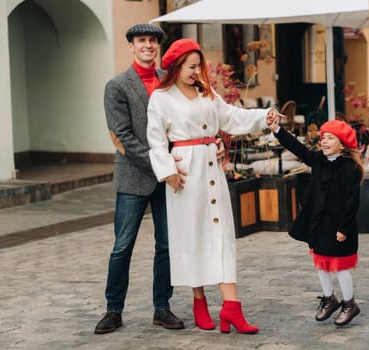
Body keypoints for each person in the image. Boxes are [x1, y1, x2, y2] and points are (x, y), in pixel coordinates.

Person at [147, 38, 281, 334]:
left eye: (200, 66)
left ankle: (232, 308)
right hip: (185, 171)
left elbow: (233, 117)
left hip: (211, 167)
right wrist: (168, 171)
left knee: (221, 234)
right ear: (177, 67)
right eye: (192, 67)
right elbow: (155, 140)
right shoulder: (161, 98)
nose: (197, 72)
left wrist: (264, 116)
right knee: (194, 235)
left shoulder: (207, 93)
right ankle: (199, 302)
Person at [96, 24, 221, 335]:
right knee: (122, 246)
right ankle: (113, 309)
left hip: (173, 178)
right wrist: (162, 165)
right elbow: (120, 135)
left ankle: (161, 307)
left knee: (166, 244)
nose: (148, 45)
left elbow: (197, 117)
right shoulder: (117, 85)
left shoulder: (171, 80)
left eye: (153, 41)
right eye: (142, 41)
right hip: (136, 178)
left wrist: (213, 141)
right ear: (132, 46)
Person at [267, 118, 364, 326]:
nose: (325, 142)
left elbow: (352, 202)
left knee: (340, 266)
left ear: (342, 143)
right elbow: (298, 148)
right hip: (319, 223)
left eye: (330, 138)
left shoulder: (350, 169)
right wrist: (277, 130)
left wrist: (344, 228)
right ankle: (329, 298)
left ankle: (350, 303)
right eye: (323, 138)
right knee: (321, 263)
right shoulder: (318, 160)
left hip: (339, 227)